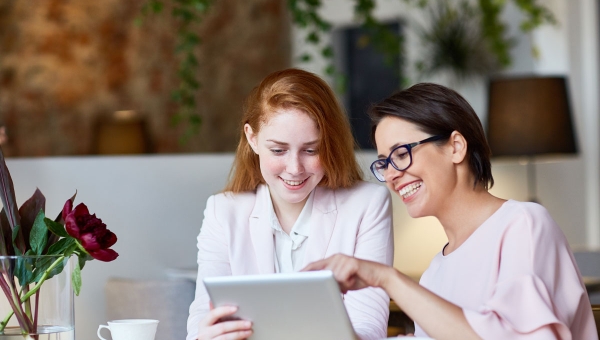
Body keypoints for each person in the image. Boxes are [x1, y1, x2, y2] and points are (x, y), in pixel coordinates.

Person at [304, 83, 597, 339]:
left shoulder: (524, 225)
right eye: (384, 163)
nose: (392, 174)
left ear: (456, 147)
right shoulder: (435, 272)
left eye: (401, 154)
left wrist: (387, 278)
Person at [186, 68, 394, 340]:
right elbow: (201, 320)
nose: (295, 168)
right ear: (252, 138)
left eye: (311, 150)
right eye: (278, 150)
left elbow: (369, 329)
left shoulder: (367, 205)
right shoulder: (222, 211)